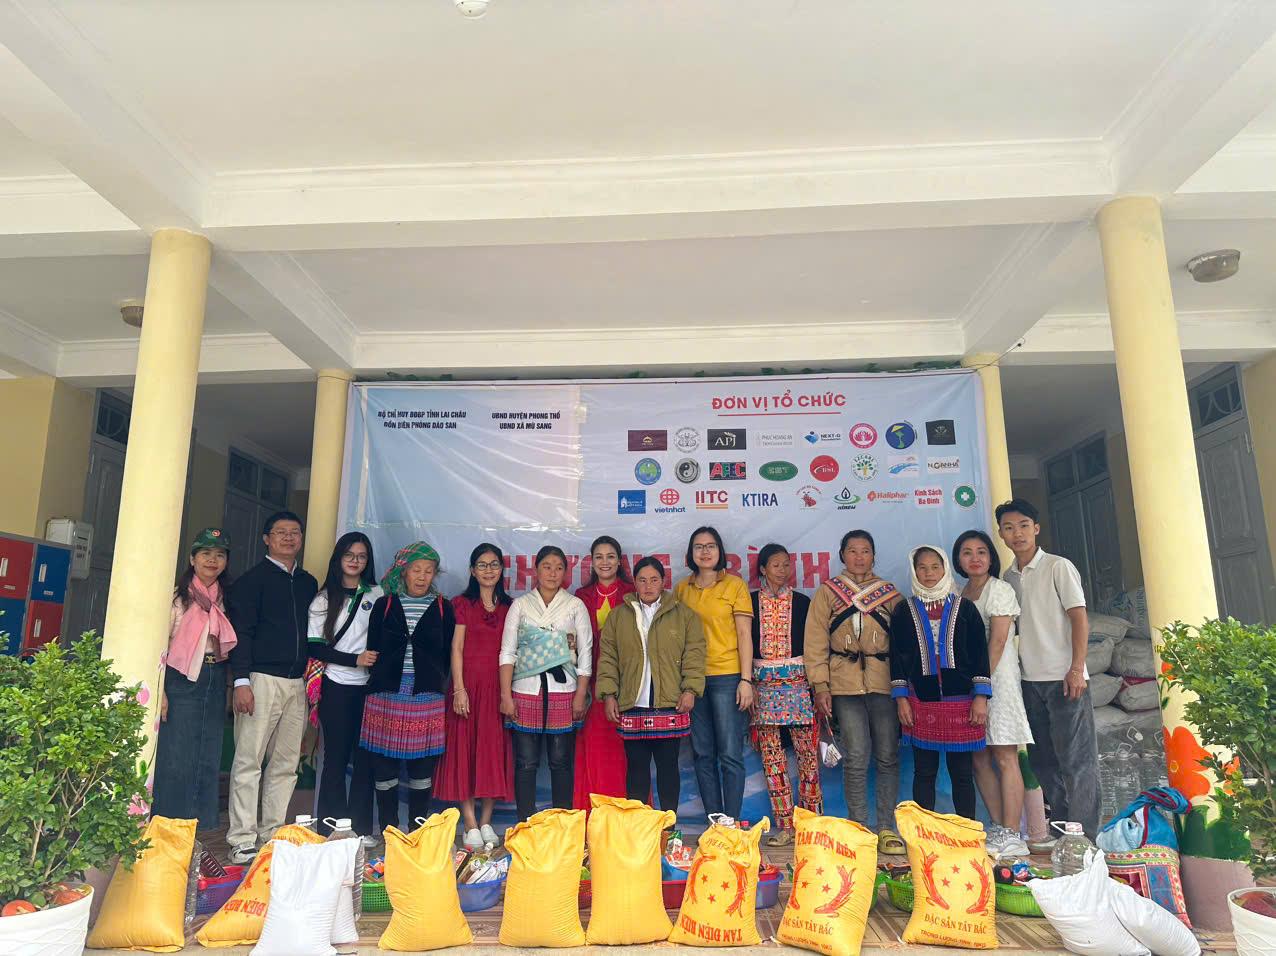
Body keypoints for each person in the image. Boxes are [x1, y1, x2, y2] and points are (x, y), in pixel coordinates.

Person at [997, 498, 1099, 843]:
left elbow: (1079, 617)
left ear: (1036, 528)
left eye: (1024, 525)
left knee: (1077, 762)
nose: (1018, 533)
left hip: (1065, 678)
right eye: (1009, 528)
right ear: (1002, 534)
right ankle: (1063, 829)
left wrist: (1077, 669)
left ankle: (1085, 838)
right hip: (1029, 681)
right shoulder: (1008, 577)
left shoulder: (1058, 567)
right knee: (1043, 762)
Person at [804, 530, 905, 855]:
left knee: (888, 756)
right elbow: (815, 641)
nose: (859, 557)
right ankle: (859, 827)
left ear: (873, 556)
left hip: (884, 683)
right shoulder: (828, 592)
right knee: (856, 757)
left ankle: (887, 827)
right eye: (852, 550)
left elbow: (904, 644)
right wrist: (821, 685)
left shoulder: (889, 594)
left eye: (865, 551)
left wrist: (903, 687)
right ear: (842, 555)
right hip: (843, 685)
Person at [227, 511, 318, 865]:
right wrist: (241, 681)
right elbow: (241, 634)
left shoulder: (308, 583)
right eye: (281, 532)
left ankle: (272, 834)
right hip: (260, 680)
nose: (289, 538)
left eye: (295, 532)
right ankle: (241, 839)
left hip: (298, 684)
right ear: (267, 539)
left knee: (285, 764)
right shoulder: (251, 582)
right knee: (249, 761)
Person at [596, 556, 704, 813]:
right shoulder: (618, 617)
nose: (648, 586)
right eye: (642, 580)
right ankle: (638, 828)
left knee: (668, 769)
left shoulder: (683, 615)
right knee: (636, 770)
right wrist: (609, 694)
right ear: (634, 583)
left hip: (670, 703)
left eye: (654, 580)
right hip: (632, 704)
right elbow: (608, 659)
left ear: (664, 581)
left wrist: (690, 690)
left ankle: (669, 827)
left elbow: (695, 656)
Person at [890, 546, 991, 820]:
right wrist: (901, 700)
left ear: (945, 569)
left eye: (935, 566)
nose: (929, 573)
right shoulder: (904, 610)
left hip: (962, 703)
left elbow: (980, 656)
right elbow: (897, 658)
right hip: (921, 701)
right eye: (922, 567)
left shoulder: (965, 608)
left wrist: (980, 697)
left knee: (962, 773)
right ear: (914, 572)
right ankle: (925, 835)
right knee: (924, 772)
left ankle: (966, 833)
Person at [361, 541, 455, 833]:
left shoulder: (444, 607)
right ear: (403, 572)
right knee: (384, 766)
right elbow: (373, 646)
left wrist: (434, 679)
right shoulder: (385, 604)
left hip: (425, 694)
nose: (422, 576)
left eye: (428, 571)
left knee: (422, 767)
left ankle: (417, 831)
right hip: (386, 693)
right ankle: (389, 830)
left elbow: (448, 653)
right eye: (416, 570)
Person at [499, 545, 593, 821]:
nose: (553, 573)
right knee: (525, 763)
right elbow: (508, 651)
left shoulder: (574, 605)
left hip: (564, 691)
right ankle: (526, 826)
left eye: (559, 568)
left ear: (566, 573)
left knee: (560, 762)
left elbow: (585, 652)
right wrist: (506, 695)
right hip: (525, 690)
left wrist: (581, 695)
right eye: (547, 567)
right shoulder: (521, 605)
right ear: (536, 570)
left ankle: (562, 827)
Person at [954, 530, 1032, 857]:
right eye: (967, 552)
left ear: (991, 557)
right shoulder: (959, 593)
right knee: (979, 757)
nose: (975, 558)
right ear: (958, 559)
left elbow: (998, 642)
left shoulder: (999, 590)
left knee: (1004, 755)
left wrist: (981, 687)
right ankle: (1000, 828)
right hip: (971, 685)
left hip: (997, 682)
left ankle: (1014, 833)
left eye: (981, 552)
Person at [154, 528, 237, 833]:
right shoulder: (178, 598)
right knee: (177, 752)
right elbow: (158, 646)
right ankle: (169, 822)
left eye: (220, 555)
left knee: (208, 751)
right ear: (192, 559)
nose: (212, 561)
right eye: (205, 554)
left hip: (215, 675)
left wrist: (229, 687)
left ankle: (201, 825)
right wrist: (161, 691)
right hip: (181, 677)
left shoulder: (228, 599)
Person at [435, 543, 515, 849]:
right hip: (467, 687)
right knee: (464, 753)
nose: (488, 570)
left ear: (502, 569)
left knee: (492, 753)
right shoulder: (462, 603)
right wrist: (459, 689)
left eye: (494, 564)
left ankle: (486, 821)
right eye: (482, 565)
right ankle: (469, 822)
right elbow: (456, 648)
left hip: (497, 689)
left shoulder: (510, 606)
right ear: (472, 570)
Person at [674, 527, 753, 821]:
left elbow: (744, 635)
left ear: (720, 551)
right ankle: (715, 823)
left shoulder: (734, 586)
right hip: (693, 680)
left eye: (710, 546)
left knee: (730, 754)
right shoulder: (682, 589)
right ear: (691, 553)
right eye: (698, 546)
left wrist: (746, 680)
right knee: (702, 754)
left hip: (727, 676)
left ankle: (731, 823)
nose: (705, 552)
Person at [306, 532, 381, 840]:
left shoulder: (378, 594)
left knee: (365, 760)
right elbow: (315, 647)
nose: (355, 561)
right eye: (349, 555)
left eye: (361, 556)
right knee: (335, 759)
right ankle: (331, 828)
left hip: (369, 689)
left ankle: (361, 829)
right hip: (335, 686)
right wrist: (354, 660)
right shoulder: (323, 599)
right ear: (338, 558)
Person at [749, 544, 821, 846]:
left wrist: (817, 687)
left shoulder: (802, 602)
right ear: (762, 569)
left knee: (808, 757)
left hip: (799, 688)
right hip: (763, 690)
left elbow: (814, 646)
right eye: (775, 565)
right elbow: (744, 644)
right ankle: (786, 827)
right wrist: (748, 682)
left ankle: (811, 826)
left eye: (786, 564)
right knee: (773, 761)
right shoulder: (750, 602)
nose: (782, 570)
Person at [573, 535, 635, 810]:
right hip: (591, 684)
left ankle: (627, 816)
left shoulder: (633, 592)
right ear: (592, 562)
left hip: (629, 684)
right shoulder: (582, 596)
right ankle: (594, 816)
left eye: (610, 556)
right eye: (599, 557)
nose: (605, 562)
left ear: (619, 561)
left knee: (626, 753)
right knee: (596, 749)